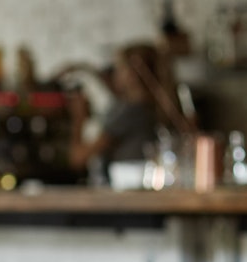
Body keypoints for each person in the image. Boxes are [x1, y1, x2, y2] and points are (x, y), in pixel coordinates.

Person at [64, 42, 174, 181]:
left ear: (131, 75)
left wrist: (78, 119)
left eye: (119, 68)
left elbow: (77, 158)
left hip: (126, 188)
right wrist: (85, 68)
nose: (114, 74)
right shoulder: (152, 107)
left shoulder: (131, 112)